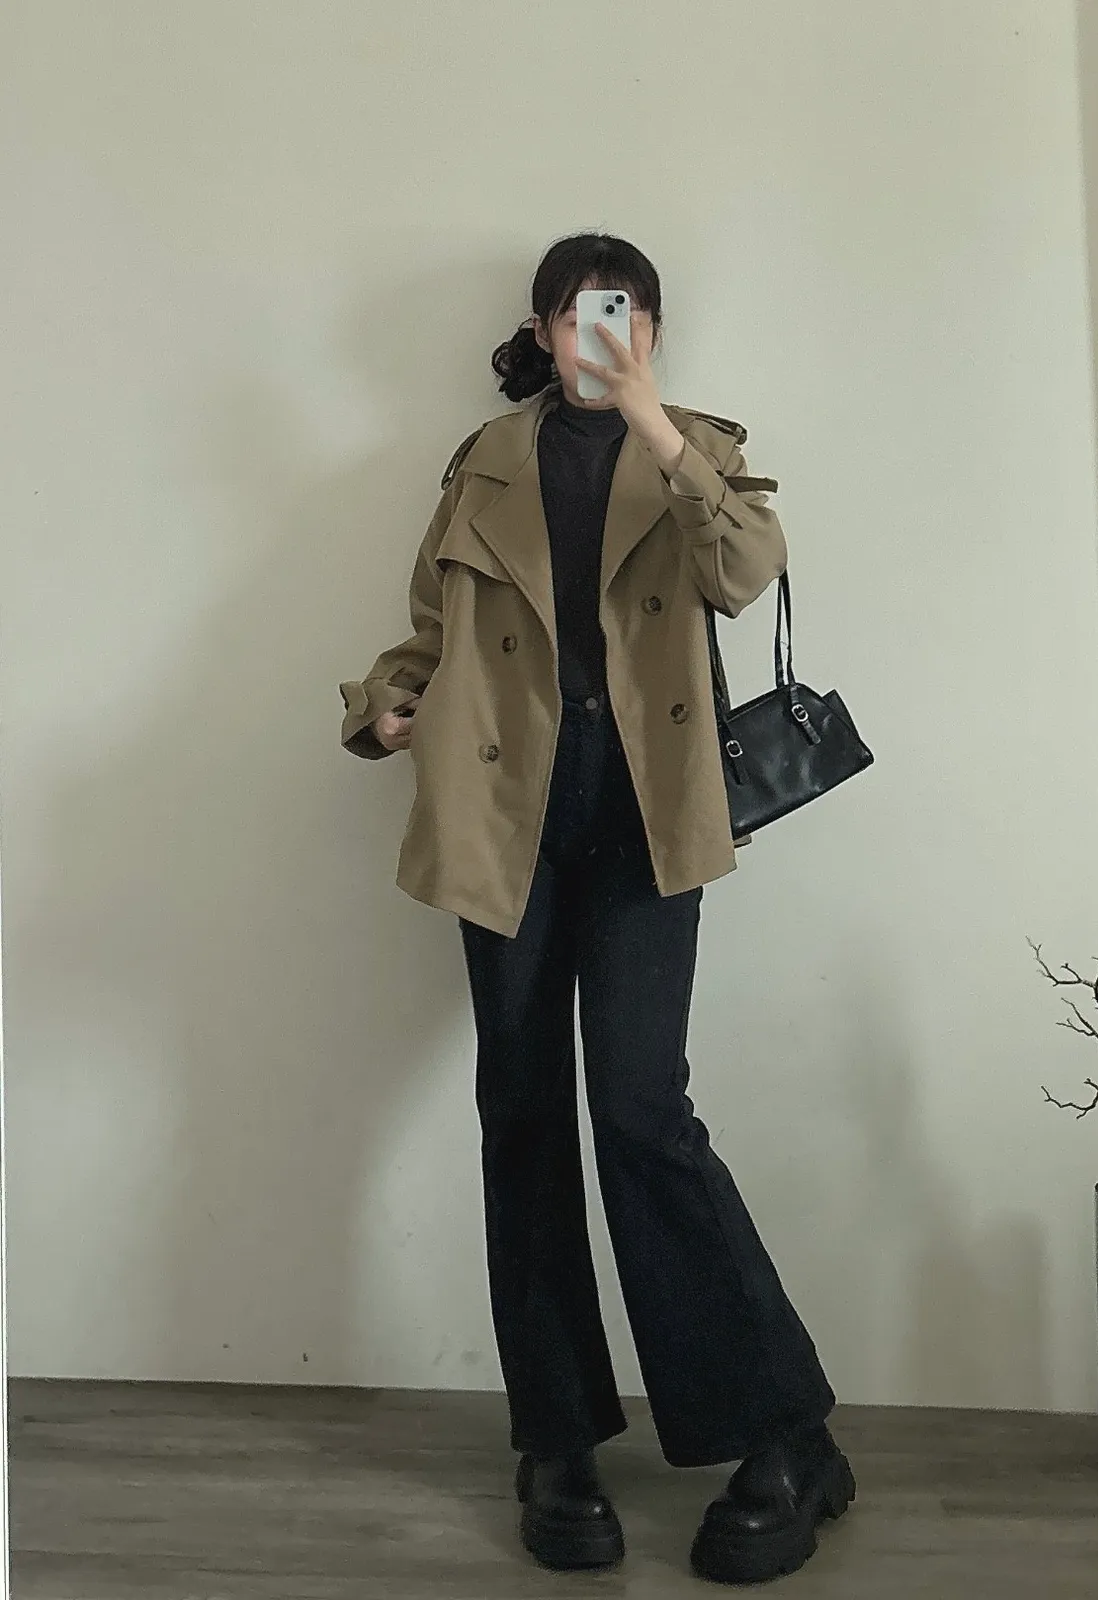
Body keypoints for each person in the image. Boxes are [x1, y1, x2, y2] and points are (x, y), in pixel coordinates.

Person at [338, 232, 854, 1586]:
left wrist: (649, 420)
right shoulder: (481, 462)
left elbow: (746, 569)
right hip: (501, 813)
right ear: (541, 329)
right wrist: (386, 704)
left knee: (639, 1112)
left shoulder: (696, 450)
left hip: (643, 815)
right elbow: (432, 629)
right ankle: (555, 1440)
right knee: (520, 1110)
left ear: (652, 330)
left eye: (620, 317)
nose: (597, 336)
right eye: (575, 317)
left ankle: (780, 1429)